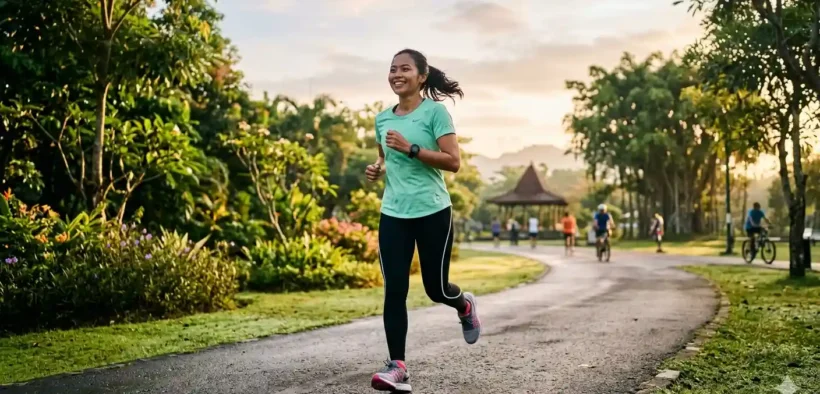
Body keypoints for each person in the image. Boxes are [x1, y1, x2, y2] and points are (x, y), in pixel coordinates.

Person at [364, 48, 481, 393]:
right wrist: (378, 167)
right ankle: (397, 366)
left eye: (404, 69)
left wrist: (411, 148)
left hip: (432, 212)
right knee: (394, 289)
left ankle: (464, 304)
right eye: (392, 69)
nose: (396, 74)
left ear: (421, 76)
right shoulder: (383, 118)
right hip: (393, 213)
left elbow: (453, 161)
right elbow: (386, 156)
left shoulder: (436, 113)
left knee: (436, 289)